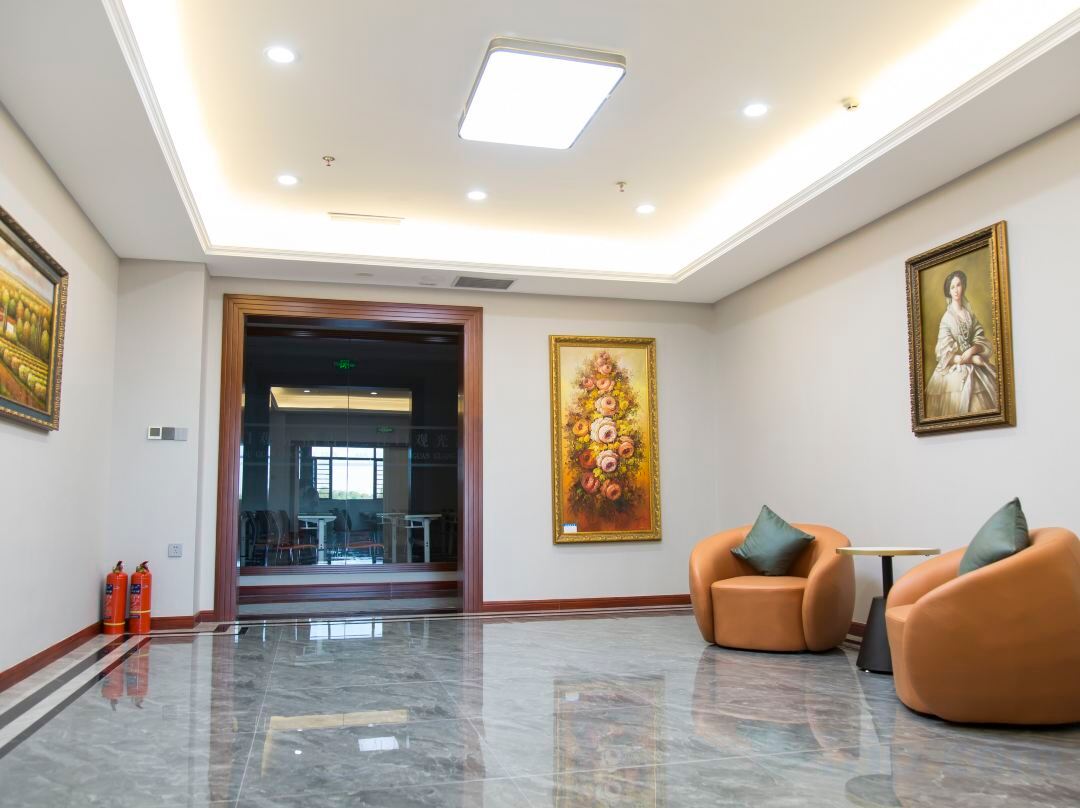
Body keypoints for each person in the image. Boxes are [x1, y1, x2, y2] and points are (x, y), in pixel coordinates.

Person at [924, 270, 997, 418]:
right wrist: (971, 359)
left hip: (974, 362)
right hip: (954, 368)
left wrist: (973, 350)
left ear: (963, 286)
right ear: (949, 291)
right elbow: (944, 355)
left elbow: (979, 336)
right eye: (952, 287)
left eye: (958, 285)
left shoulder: (969, 314)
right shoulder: (946, 319)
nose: (956, 290)